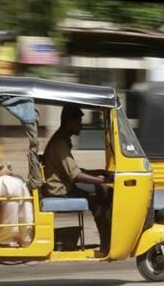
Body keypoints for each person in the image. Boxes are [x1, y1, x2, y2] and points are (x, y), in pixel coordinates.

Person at [42, 105, 113, 254]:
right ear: (69, 122)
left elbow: (75, 171)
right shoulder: (59, 143)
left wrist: (101, 172)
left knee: (102, 193)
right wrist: (103, 181)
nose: (81, 125)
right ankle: (107, 243)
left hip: (65, 186)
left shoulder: (62, 140)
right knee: (106, 192)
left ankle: (107, 240)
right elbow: (76, 175)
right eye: (78, 121)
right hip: (61, 190)